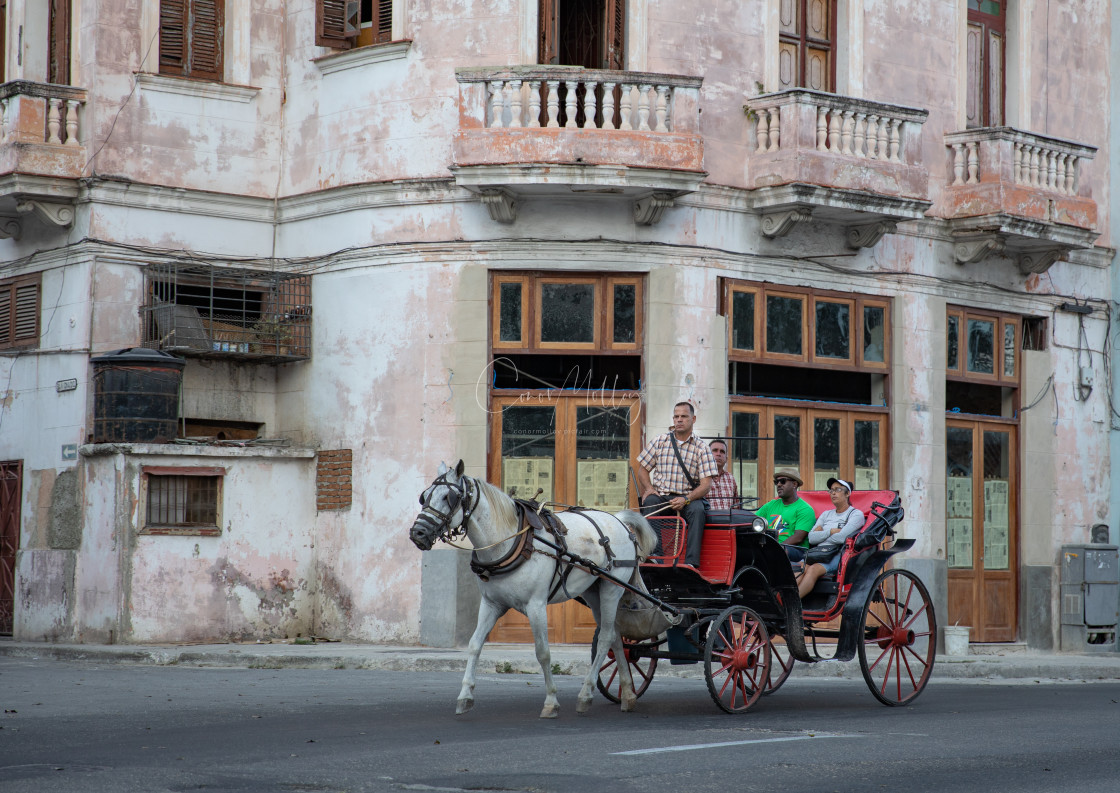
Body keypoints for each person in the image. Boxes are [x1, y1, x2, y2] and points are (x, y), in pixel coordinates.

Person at [635, 402, 718, 567]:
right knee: (650, 501)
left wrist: (686, 499)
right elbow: (642, 470)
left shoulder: (702, 448)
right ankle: (655, 554)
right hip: (663, 497)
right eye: (676, 416)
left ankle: (691, 563)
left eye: (684, 416)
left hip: (689, 498)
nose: (679, 420)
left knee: (698, 510)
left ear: (693, 419)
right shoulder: (660, 441)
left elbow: (706, 485)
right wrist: (650, 489)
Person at [796, 477, 866, 599]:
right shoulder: (826, 514)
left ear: (848, 493)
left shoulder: (855, 514)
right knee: (799, 568)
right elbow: (812, 538)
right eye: (831, 490)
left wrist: (822, 534)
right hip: (817, 553)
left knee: (813, 570)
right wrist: (831, 531)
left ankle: (792, 605)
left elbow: (841, 539)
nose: (833, 493)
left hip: (837, 554)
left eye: (838, 489)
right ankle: (782, 600)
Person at [755, 469, 816, 561]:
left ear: (794, 484)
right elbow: (753, 519)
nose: (779, 484)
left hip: (796, 550)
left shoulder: (805, 509)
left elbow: (798, 537)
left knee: (780, 551)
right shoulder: (771, 504)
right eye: (776, 482)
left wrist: (777, 547)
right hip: (770, 546)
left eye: (783, 481)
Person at [706, 438, 739, 510]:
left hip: (728, 520)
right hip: (707, 520)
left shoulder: (730, 478)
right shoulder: (700, 476)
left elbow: (736, 506)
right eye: (715, 450)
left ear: (726, 459)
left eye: (722, 451)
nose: (718, 454)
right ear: (707, 455)